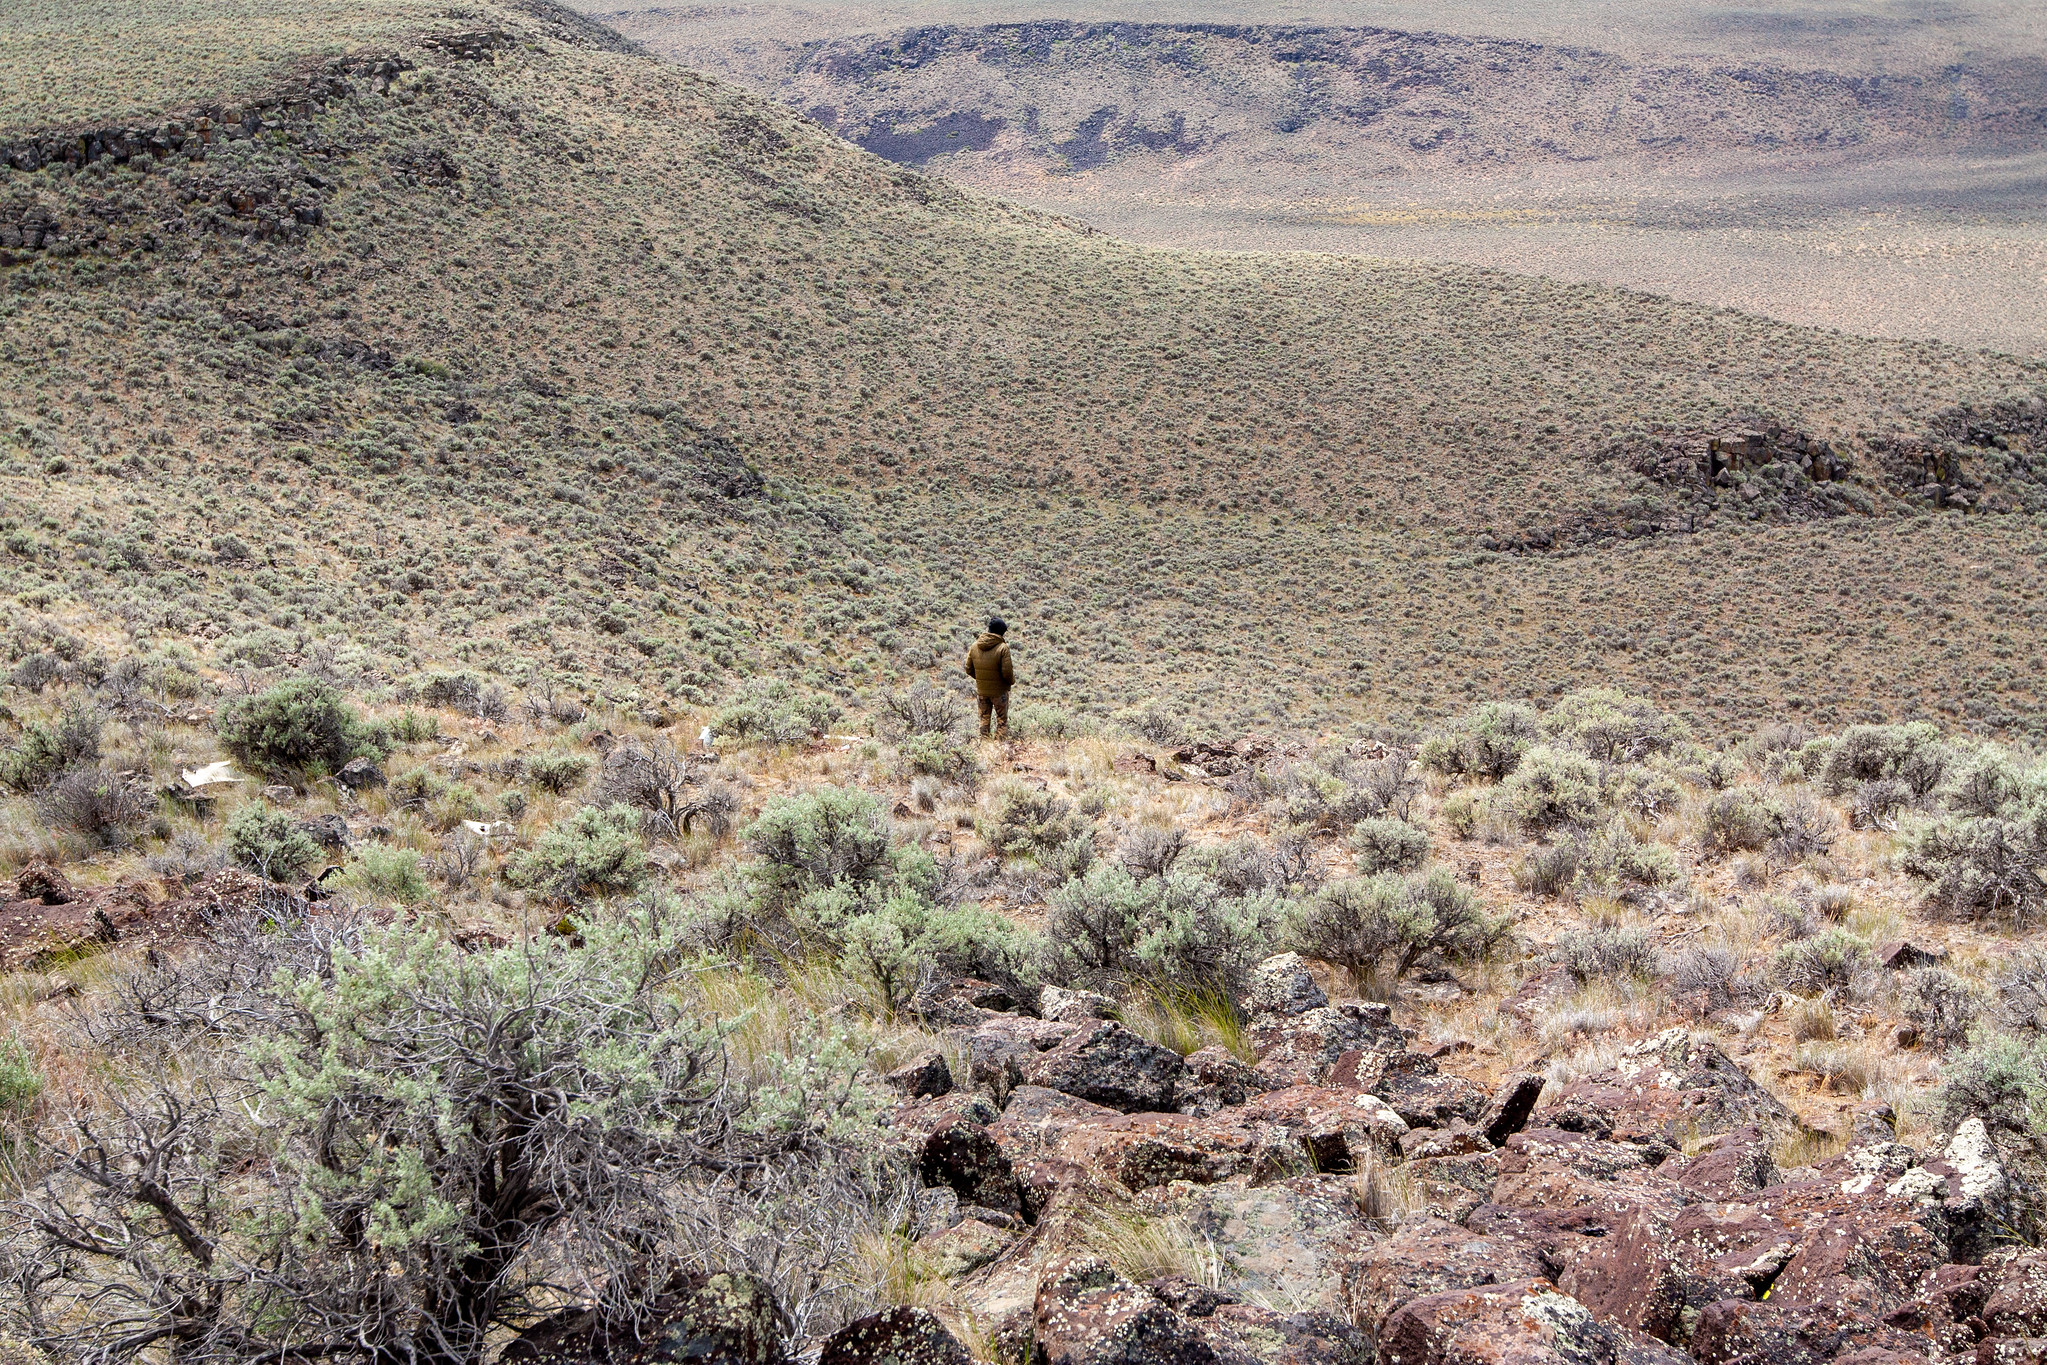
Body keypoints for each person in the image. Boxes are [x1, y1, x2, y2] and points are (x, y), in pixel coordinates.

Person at [964, 616, 1015, 738]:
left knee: (984, 720)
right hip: (999, 692)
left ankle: (984, 746)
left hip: (982, 691)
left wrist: (982, 679)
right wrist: (1010, 682)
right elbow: (1007, 673)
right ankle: (1000, 748)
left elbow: (968, 668)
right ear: (1001, 631)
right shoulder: (1003, 648)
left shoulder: (975, 646)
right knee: (1002, 721)